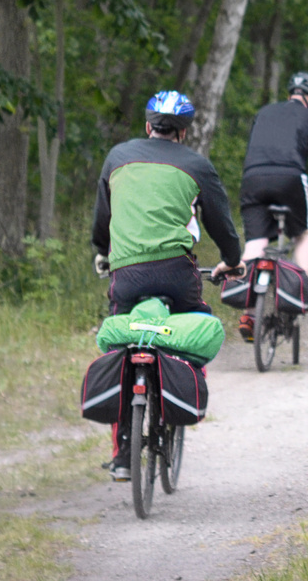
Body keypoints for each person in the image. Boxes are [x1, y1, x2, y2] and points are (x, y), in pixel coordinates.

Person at [91, 89, 241, 480]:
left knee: (125, 345)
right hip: (176, 272)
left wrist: (102, 251)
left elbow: (103, 215)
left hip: (125, 275)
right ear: (184, 132)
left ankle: (124, 454)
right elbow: (220, 223)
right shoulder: (197, 165)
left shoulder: (118, 157)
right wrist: (232, 261)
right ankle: (180, 399)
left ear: (147, 126)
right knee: (195, 320)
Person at [235, 71, 308, 339]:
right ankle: (296, 295)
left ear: (290, 94)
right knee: (303, 236)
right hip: (290, 179)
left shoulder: (264, 112)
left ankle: (248, 312)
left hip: (253, 178)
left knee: (255, 244)